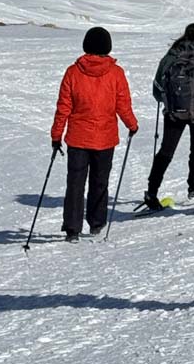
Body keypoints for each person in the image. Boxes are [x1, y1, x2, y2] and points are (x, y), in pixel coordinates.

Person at [51, 27, 138, 242]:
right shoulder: (116, 73)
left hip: (78, 138)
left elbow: (64, 106)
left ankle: (72, 228)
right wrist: (132, 124)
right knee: (100, 181)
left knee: (75, 183)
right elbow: (122, 104)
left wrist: (56, 135)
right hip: (105, 138)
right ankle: (97, 222)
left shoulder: (73, 72)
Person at [143, 23, 194, 210]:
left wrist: (167, 101)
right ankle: (193, 187)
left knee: (166, 151)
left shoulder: (172, 54)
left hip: (174, 111)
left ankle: (152, 191)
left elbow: (157, 86)